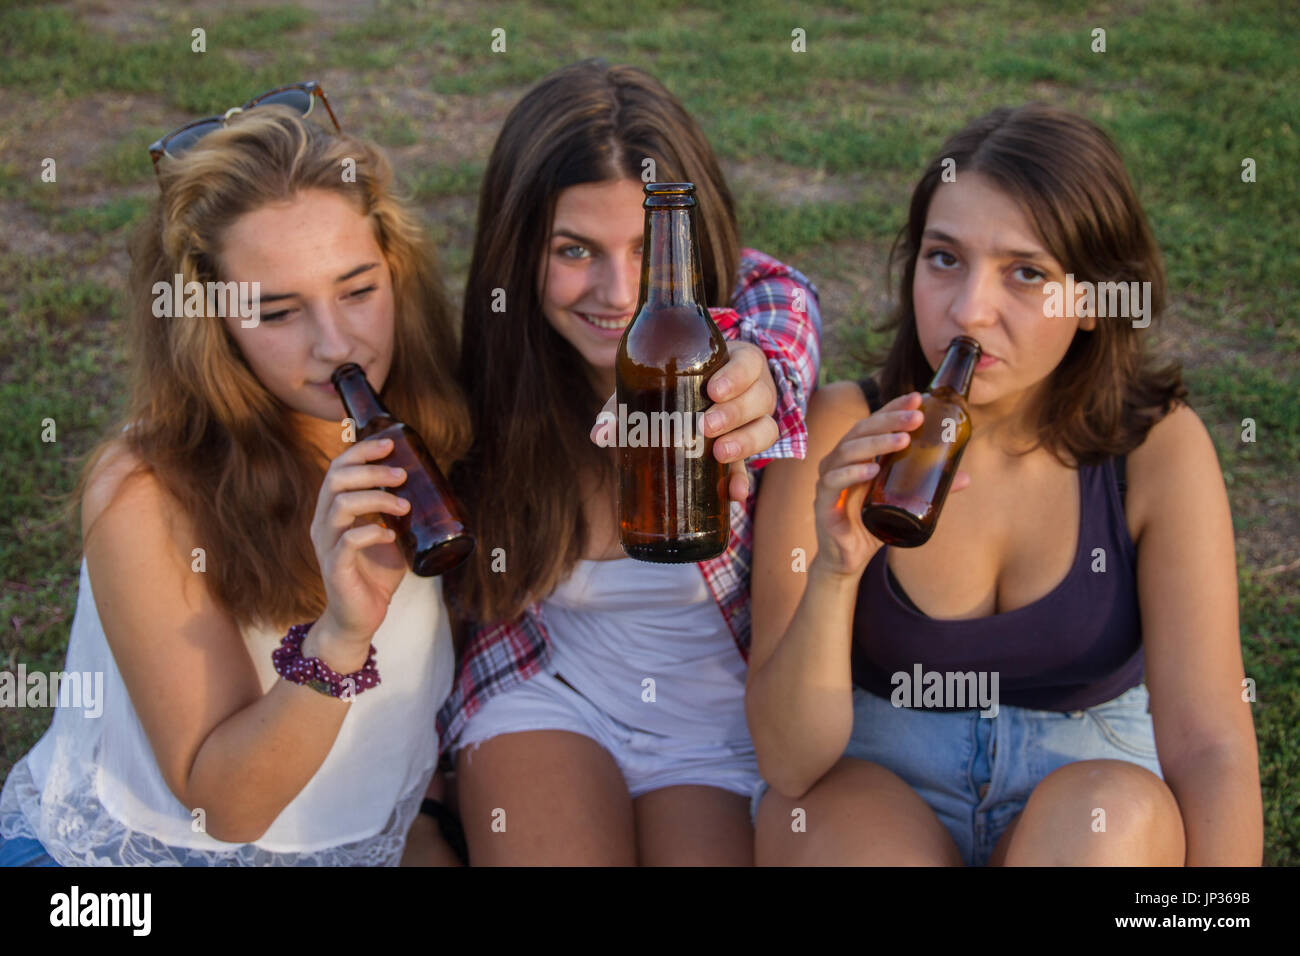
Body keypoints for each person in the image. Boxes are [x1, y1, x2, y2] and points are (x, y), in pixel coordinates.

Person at [745, 104, 1262, 866]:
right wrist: (833, 569)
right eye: (944, 258)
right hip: (882, 766)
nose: (968, 311)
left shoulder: (1153, 448)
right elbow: (789, 763)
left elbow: (1211, 742)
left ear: (1091, 301)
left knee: (1107, 821)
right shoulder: (842, 429)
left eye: (1026, 273)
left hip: (1087, 774)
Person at [0, 98, 468, 866]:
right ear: (210, 325)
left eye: (358, 290)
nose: (336, 343)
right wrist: (342, 635)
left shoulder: (438, 415)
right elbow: (225, 806)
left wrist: (425, 820)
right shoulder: (147, 492)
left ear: (397, 271)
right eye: (276, 311)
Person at [438, 59, 822, 864]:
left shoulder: (740, 318)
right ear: (519, 251)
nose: (618, 291)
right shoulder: (495, 367)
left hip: (714, 724)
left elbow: (780, 332)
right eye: (575, 250)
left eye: (648, 247)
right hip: (547, 690)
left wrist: (754, 385)